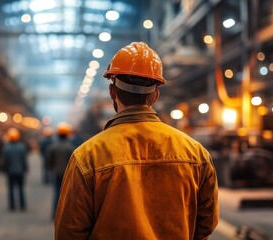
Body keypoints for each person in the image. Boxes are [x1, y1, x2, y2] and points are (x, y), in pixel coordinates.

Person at [55, 42, 219, 239]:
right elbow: (205, 224)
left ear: (112, 93)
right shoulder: (196, 154)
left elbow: (69, 232)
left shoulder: (87, 156)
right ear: (155, 95)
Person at [47, 122, 75, 220]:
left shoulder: (53, 147)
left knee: (56, 193)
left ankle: (55, 214)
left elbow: (49, 161)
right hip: (67, 174)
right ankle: (65, 216)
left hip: (57, 173)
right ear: (67, 134)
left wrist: (53, 168)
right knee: (66, 195)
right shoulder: (70, 147)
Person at [2, 128, 28, 211]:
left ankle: (12, 206)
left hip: (10, 171)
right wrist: (25, 168)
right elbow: (24, 159)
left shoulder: (6, 148)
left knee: (11, 189)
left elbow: (5, 161)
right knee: (20, 188)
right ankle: (22, 205)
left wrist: (4, 169)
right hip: (20, 171)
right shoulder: (22, 147)